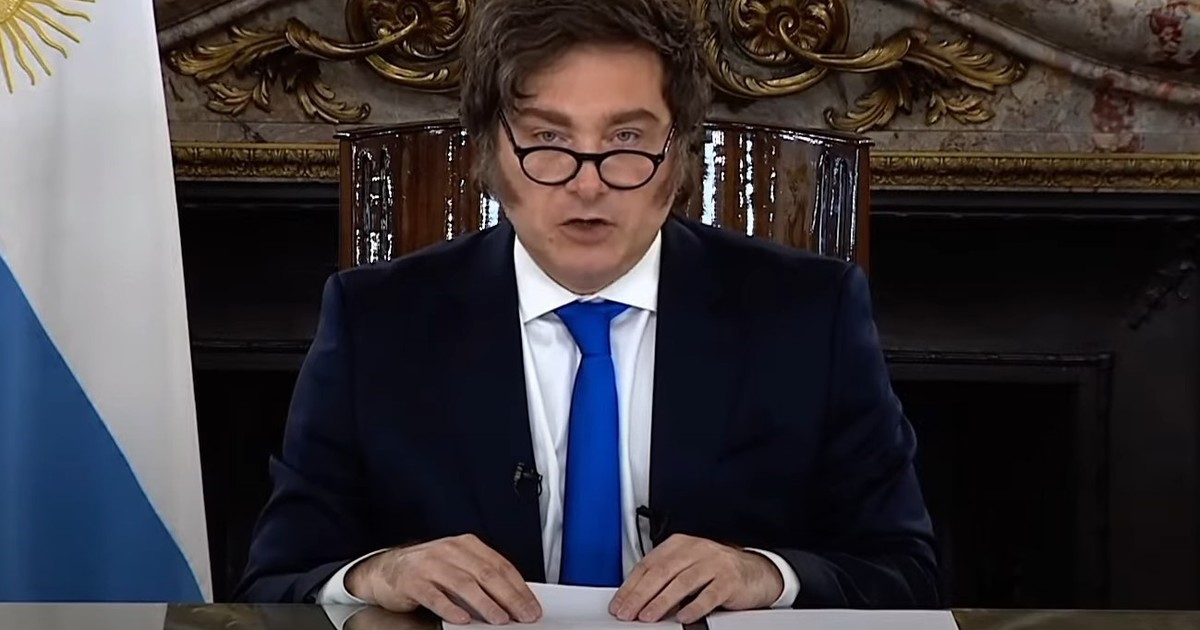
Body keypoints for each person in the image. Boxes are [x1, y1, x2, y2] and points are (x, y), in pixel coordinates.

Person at [234, 0, 940, 624]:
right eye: (548, 140)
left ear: (680, 153)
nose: (587, 183)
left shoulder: (810, 314)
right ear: (488, 152)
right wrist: (378, 574)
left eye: (626, 141)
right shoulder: (374, 321)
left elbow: (908, 575)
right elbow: (272, 584)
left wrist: (767, 575)